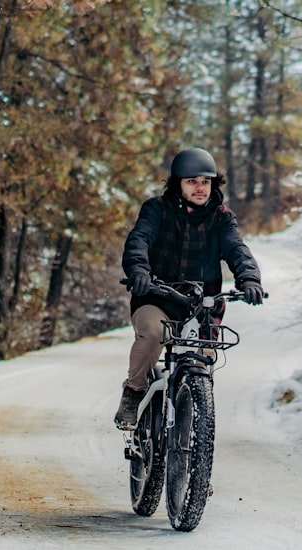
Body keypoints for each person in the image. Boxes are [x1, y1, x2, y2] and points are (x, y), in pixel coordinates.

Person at [114, 147, 264, 429]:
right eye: (192, 181)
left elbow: (236, 249)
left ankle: (195, 427)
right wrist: (139, 271)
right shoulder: (156, 209)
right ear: (178, 183)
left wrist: (250, 278)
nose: (200, 188)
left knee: (204, 360)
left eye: (205, 182)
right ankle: (134, 392)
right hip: (157, 298)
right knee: (154, 334)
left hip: (202, 306)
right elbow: (139, 241)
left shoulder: (221, 217)